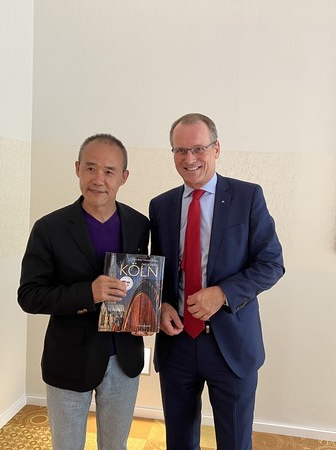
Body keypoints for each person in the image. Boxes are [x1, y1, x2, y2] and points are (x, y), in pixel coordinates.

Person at [149, 113, 285, 450]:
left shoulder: (247, 197)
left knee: (235, 443)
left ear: (216, 149)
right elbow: (157, 270)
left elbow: (271, 263)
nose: (190, 158)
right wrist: (160, 304)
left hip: (231, 343)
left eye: (198, 148)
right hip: (177, 343)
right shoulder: (161, 206)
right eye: (181, 150)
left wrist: (223, 293)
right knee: (179, 442)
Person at [18, 133, 150, 450]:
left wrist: (149, 310)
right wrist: (87, 294)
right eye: (90, 168)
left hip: (123, 358)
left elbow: (144, 282)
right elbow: (29, 295)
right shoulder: (49, 228)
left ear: (124, 177)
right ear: (77, 169)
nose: (98, 180)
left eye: (109, 171)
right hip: (68, 359)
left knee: (115, 446)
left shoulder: (139, 224)